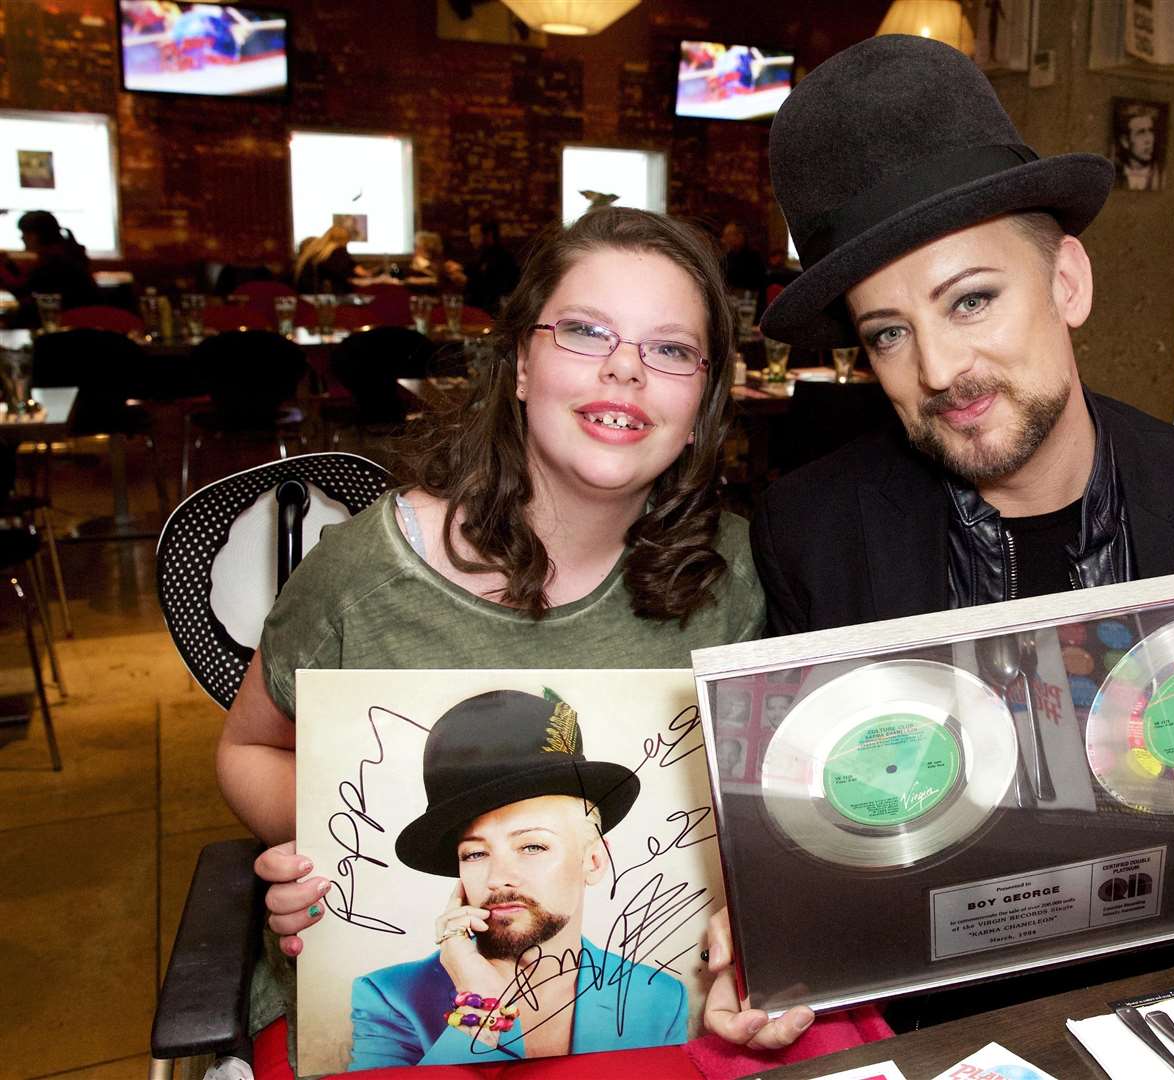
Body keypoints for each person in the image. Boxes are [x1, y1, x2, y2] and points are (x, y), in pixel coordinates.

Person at [706, 35, 1174, 1047]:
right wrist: (773, 932)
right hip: (948, 1023)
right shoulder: (810, 533)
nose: (941, 367)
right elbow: (819, 832)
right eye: (887, 332)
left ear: (1067, 283)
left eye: (971, 299)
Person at [216, 207, 764, 1070]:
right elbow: (248, 745)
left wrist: (751, 918)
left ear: (701, 405)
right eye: (585, 332)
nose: (624, 368)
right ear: (517, 365)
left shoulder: (729, 570)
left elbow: (745, 801)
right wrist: (320, 855)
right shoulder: (368, 573)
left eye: (670, 350)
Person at [348, 689, 686, 1067]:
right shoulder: (389, 998)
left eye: (532, 847)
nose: (498, 878)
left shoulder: (659, 998)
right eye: (475, 853)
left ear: (593, 859)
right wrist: (478, 1008)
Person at [0, 210, 97, 326]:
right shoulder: (66, 254)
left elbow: (24, 291)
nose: (22, 238)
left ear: (35, 235)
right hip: (81, 322)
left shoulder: (55, 261)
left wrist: (3, 269)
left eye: (24, 233)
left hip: (66, 326)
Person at [291, 223, 369, 294]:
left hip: (305, 295)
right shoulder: (337, 252)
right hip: (324, 299)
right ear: (345, 240)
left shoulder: (317, 251)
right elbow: (346, 275)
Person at [464, 219, 520, 314]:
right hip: (476, 311)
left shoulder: (503, 258)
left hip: (490, 315)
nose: (471, 240)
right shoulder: (480, 254)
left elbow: (493, 291)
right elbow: (473, 273)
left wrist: (466, 281)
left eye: (475, 236)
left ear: (489, 235)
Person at [1113, 101, 1162, 191]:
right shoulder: (1113, 176)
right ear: (1125, 141)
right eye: (1141, 132)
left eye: (1151, 131)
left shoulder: (1161, 176)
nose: (1149, 139)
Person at [720, 220, 766, 310]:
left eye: (728, 235)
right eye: (725, 235)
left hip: (749, 306)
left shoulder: (753, 258)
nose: (724, 239)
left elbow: (754, 286)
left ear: (740, 236)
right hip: (730, 305)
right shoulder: (726, 258)